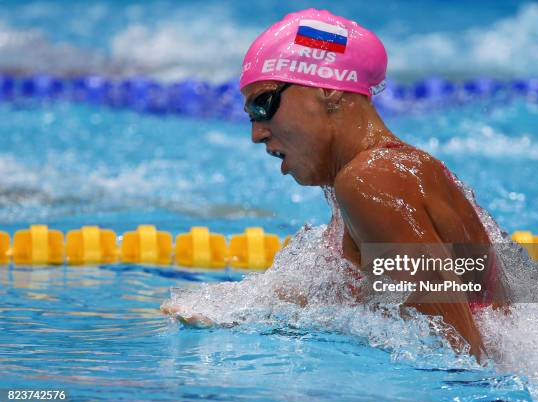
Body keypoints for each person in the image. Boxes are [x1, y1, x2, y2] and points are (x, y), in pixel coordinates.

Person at [166, 9, 506, 360]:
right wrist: (234, 307)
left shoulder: (370, 181)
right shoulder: (380, 173)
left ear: (327, 89)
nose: (257, 133)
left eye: (264, 104)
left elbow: (461, 357)